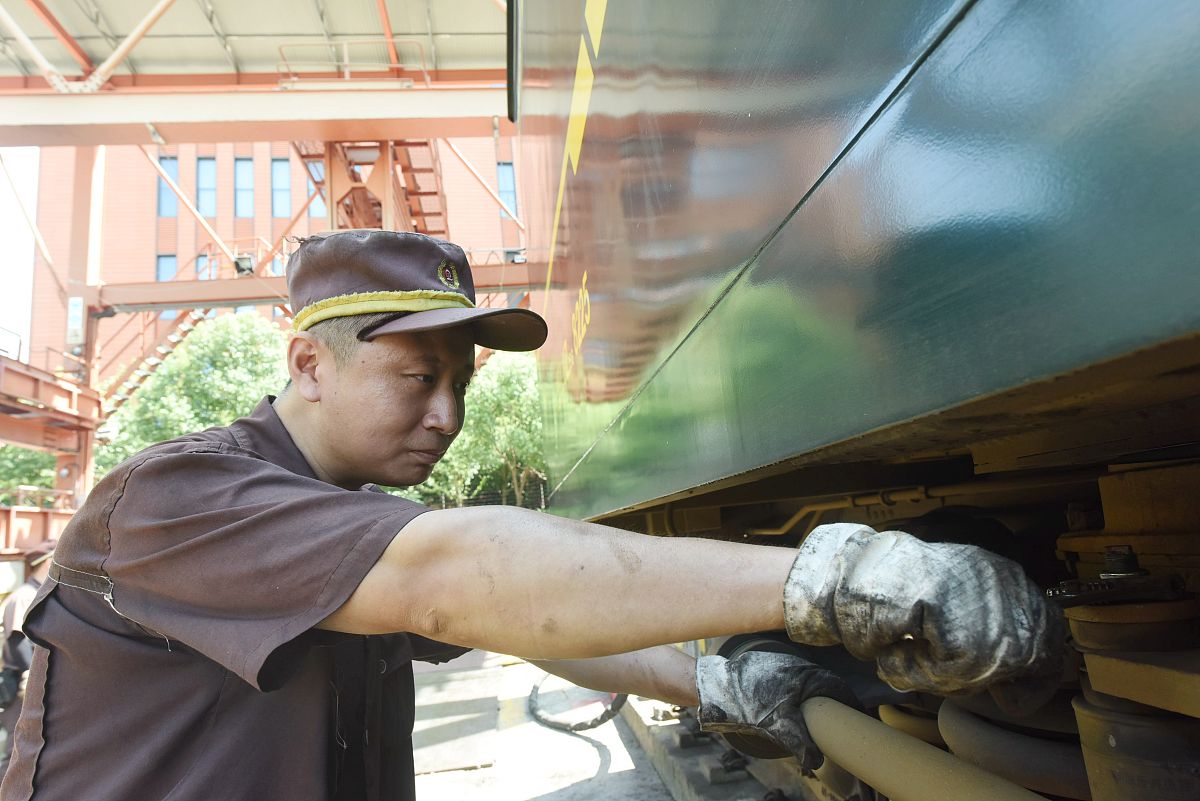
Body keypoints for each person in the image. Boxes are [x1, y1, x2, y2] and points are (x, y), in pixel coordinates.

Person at [0, 230, 1062, 801]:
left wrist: (716, 678)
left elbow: (518, 624)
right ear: (305, 362)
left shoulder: (335, 522)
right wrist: (837, 580)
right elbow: (459, 578)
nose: (447, 415)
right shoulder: (179, 498)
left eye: (461, 384)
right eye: (418, 376)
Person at [0, 541, 54, 777]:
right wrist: (37, 673)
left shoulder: (36, 594)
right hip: (21, 684)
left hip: (31, 683)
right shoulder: (24, 597)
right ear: (48, 563)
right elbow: (18, 645)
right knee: (14, 751)